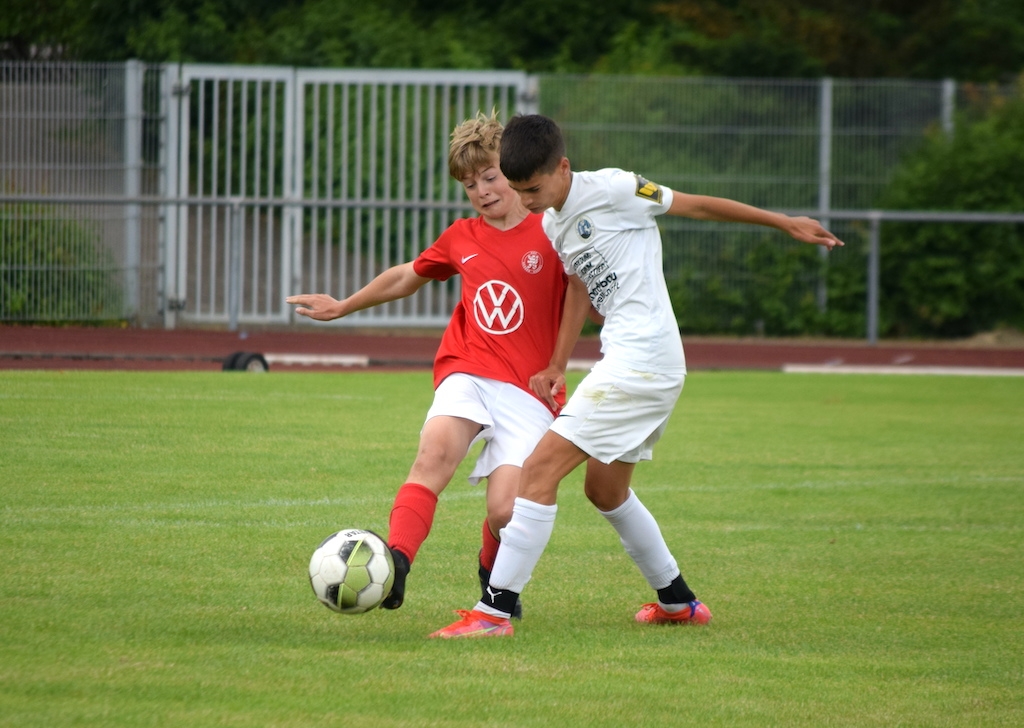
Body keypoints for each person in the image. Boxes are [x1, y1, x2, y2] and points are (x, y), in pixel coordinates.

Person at [430, 113, 844, 638]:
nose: (526, 200)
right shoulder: (555, 222)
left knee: (537, 473)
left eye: (533, 189)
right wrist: (558, 362)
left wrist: (783, 222)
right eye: (519, 190)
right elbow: (578, 286)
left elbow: (697, 205)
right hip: (635, 362)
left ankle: (493, 614)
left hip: (642, 362)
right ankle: (678, 602)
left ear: (563, 167)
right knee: (605, 490)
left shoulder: (617, 189)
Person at [287, 112, 592, 616]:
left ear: (513, 170)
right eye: (470, 185)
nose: (482, 191)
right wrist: (343, 306)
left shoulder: (555, 231)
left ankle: (491, 571)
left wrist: (562, 362)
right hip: (467, 372)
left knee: (507, 512)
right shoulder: (462, 237)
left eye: (490, 177)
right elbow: (407, 275)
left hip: (530, 391)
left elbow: (584, 292)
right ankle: (396, 564)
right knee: (433, 457)